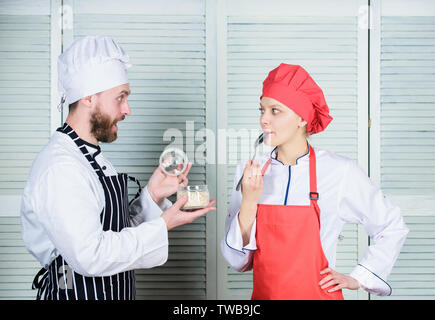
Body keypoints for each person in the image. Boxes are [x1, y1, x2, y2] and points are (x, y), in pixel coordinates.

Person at [20, 35, 215, 300]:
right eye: (120, 97)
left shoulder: (91, 157)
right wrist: (162, 226)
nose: (127, 109)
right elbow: (91, 255)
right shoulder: (61, 167)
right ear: (89, 97)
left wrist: (152, 195)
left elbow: (113, 232)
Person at [220, 63, 409, 299]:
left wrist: (361, 276)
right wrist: (249, 202)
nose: (264, 120)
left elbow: (391, 224)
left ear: (301, 118)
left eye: (275, 111)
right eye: (262, 110)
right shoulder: (250, 172)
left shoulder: (338, 172)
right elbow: (238, 261)